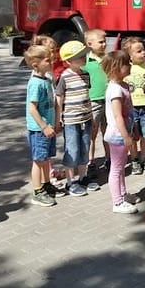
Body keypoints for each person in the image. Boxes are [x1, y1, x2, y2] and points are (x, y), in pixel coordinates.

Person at [55, 40, 98, 196]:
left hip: (86, 118)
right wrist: (58, 119)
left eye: (83, 55)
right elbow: (59, 99)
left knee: (85, 147)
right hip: (71, 120)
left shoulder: (86, 75)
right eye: (78, 57)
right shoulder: (64, 77)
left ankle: (82, 176)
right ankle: (70, 181)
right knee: (72, 149)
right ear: (68, 61)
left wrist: (92, 118)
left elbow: (87, 98)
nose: (83, 58)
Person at [102, 50, 138, 214]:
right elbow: (118, 116)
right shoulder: (115, 90)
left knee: (121, 166)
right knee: (116, 169)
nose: (130, 66)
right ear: (117, 68)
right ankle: (117, 202)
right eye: (126, 64)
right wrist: (125, 136)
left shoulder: (122, 85)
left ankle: (123, 194)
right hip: (117, 135)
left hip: (124, 133)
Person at [24, 45, 59, 207]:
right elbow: (32, 107)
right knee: (39, 160)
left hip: (48, 127)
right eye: (47, 60)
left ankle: (46, 184)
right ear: (35, 64)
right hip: (39, 129)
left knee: (46, 158)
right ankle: (37, 191)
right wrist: (44, 126)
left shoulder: (46, 79)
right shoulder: (35, 83)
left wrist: (55, 122)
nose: (51, 62)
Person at [123, 36, 145, 174]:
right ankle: (134, 159)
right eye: (139, 51)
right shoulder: (127, 69)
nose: (143, 53)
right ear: (129, 55)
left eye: (143, 50)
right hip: (131, 106)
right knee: (133, 134)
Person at [84, 29, 110, 173]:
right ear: (89, 44)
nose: (104, 44)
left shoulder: (107, 59)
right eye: (100, 42)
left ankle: (109, 158)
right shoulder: (85, 62)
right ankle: (91, 162)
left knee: (108, 131)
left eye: (105, 41)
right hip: (93, 101)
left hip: (109, 100)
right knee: (92, 133)